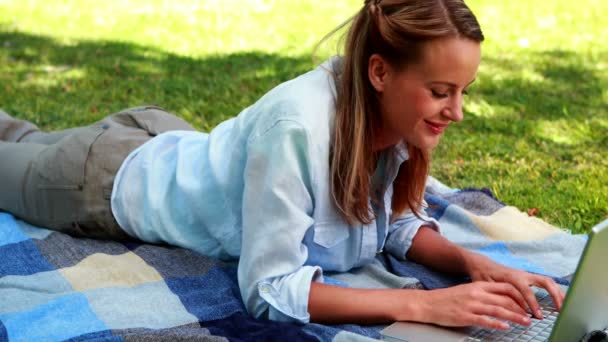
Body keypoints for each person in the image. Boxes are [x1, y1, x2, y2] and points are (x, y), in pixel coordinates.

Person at [0, 0, 564, 331]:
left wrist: (473, 262)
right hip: (100, 182)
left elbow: (390, 223)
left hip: (166, 138)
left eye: (464, 90)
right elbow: (268, 290)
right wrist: (423, 302)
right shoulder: (300, 128)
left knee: (19, 136)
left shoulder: (389, 119)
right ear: (379, 72)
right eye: (442, 90)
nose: (458, 111)